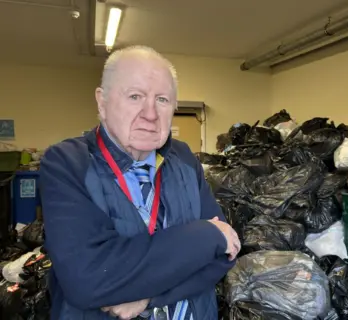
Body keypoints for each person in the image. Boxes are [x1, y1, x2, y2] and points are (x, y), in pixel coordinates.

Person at [39, 45, 241, 320]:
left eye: (162, 100)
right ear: (102, 101)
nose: (150, 114)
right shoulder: (67, 162)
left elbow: (223, 256)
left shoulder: (184, 157)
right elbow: (87, 279)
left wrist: (149, 298)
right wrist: (206, 234)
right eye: (135, 96)